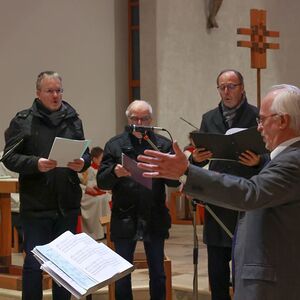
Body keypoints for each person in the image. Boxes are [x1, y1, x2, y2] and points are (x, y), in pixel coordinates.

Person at [137, 84, 300, 300]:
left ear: (282, 121)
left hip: (273, 283)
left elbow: (251, 193)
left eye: (261, 120)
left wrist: (187, 172)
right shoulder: (285, 157)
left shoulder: (293, 160)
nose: (259, 127)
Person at [2, 71, 91, 300]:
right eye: (50, 91)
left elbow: (86, 154)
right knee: (34, 265)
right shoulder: (23, 121)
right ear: (38, 93)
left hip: (66, 205)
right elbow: (9, 157)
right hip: (36, 206)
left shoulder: (73, 120)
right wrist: (35, 163)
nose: (55, 95)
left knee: (64, 268)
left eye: (59, 90)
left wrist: (82, 163)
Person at [190, 69, 264, 300]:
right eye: (222, 87)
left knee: (246, 265)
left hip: (247, 195)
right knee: (217, 268)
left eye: (231, 86)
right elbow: (197, 154)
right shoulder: (209, 117)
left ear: (242, 88)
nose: (226, 91)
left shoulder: (258, 116)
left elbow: (273, 155)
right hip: (218, 198)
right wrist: (196, 159)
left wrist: (259, 161)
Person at [97, 100, 180, 300]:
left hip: (154, 215)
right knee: (122, 273)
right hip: (125, 216)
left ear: (152, 120)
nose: (139, 122)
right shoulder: (115, 144)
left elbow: (174, 183)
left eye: (144, 119)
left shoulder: (162, 144)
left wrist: (165, 170)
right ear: (128, 119)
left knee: (158, 273)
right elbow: (102, 181)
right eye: (135, 118)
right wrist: (115, 172)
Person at [80, 146, 111, 240]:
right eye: (101, 158)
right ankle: (95, 232)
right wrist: (88, 188)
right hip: (83, 193)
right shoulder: (87, 168)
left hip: (92, 191)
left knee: (106, 198)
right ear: (94, 158)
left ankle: (105, 230)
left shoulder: (100, 168)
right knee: (99, 200)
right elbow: (81, 182)